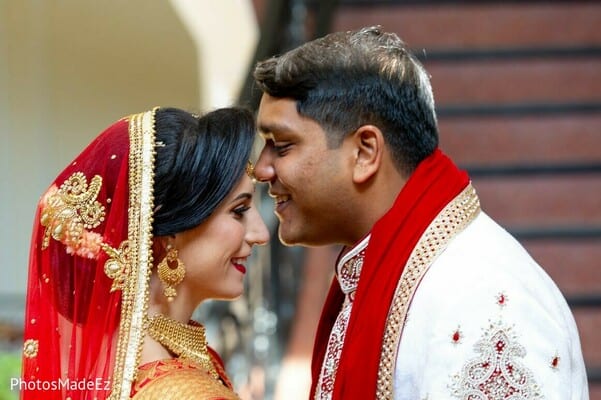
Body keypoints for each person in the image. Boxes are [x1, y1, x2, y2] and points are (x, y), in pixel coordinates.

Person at [252, 26, 589, 399]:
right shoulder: (383, 272)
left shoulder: (483, 297)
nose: (261, 169)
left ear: (364, 152)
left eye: (281, 146)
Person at [20, 106, 269, 399]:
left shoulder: (119, 364)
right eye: (239, 211)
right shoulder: (179, 391)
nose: (261, 234)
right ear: (168, 233)